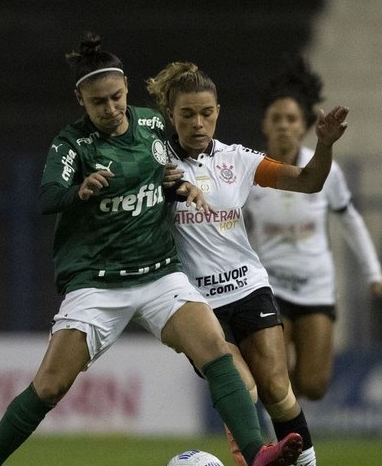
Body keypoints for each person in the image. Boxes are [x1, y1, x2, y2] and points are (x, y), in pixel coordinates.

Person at [0, 34, 303, 466]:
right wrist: (80, 190)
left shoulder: (150, 126)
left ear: (127, 87)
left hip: (158, 274)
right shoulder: (72, 145)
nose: (110, 109)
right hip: (99, 282)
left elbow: (163, 175)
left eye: (116, 97)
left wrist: (180, 187)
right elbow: (48, 196)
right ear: (81, 100)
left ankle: (258, 453)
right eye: (98, 103)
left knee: (216, 352)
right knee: (50, 386)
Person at [146, 61, 349, 466]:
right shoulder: (156, 163)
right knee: (242, 385)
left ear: (218, 111)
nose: (198, 123)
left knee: (277, 388)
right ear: (171, 115)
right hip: (195, 301)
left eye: (206, 113)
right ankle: (255, 458)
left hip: (248, 287)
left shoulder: (238, 160)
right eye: (187, 114)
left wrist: (324, 147)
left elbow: (309, 181)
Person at [244, 55, 382, 400]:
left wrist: (373, 273)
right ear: (264, 125)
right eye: (276, 118)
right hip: (269, 288)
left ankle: (286, 407)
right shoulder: (248, 171)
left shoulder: (325, 171)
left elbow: (350, 218)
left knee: (314, 385)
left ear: (304, 125)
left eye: (291, 118)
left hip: (316, 288)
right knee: (272, 379)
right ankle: (283, 438)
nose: (283, 125)